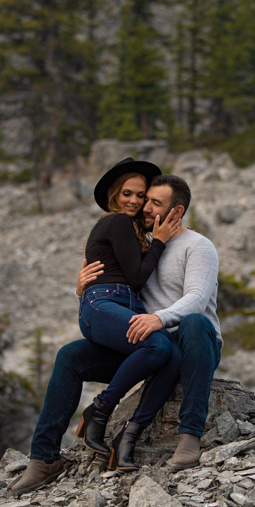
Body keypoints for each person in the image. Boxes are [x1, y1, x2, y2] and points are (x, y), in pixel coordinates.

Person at [9, 174, 221, 494]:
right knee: (69, 356)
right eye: (146, 200)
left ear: (177, 212)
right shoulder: (145, 248)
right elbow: (119, 285)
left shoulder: (198, 245)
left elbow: (197, 300)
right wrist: (82, 286)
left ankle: (189, 436)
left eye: (155, 204)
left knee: (192, 323)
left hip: (193, 342)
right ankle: (43, 459)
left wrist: (157, 319)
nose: (145, 208)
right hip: (152, 346)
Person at [74, 158, 181, 461]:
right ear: (114, 196)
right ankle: (101, 408)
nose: (134, 201)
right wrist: (160, 241)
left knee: (173, 356)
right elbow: (136, 277)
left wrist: (173, 238)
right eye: (127, 194)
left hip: (123, 305)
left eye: (141, 195)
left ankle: (128, 438)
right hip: (103, 303)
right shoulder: (117, 221)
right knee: (157, 344)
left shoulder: (134, 233)